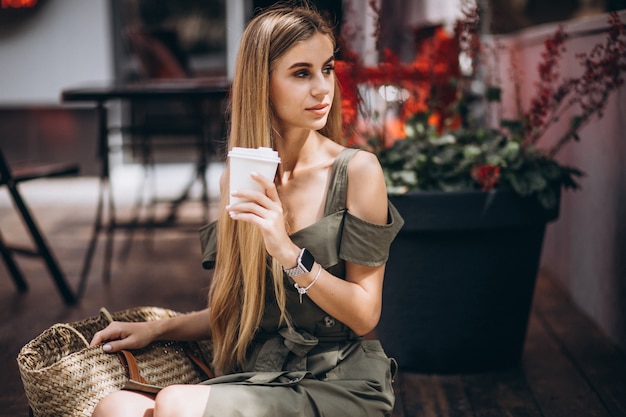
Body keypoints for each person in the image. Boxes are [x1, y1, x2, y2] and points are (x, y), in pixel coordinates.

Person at [89, 4, 404, 417]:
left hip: (337, 378)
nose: (323, 88)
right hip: (258, 374)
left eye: (326, 68)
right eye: (301, 73)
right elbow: (237, 308)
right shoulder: (237, 180)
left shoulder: (357, 171)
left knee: (176, 403)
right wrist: (156, 329)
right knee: (115, 408)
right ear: (263, 83)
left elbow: (365, 316)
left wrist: (287, 251)